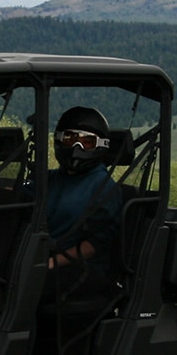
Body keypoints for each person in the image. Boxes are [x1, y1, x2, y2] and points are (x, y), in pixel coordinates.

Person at [40, 106, 126, 284]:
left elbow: (96, 245)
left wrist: (49, 263)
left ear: (101, 146)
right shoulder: (49, 179)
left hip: (80, 270)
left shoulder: (104, 187)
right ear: (59, 139)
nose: (76, 147)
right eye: (70, 139)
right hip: (39, 258)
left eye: (87, 142)